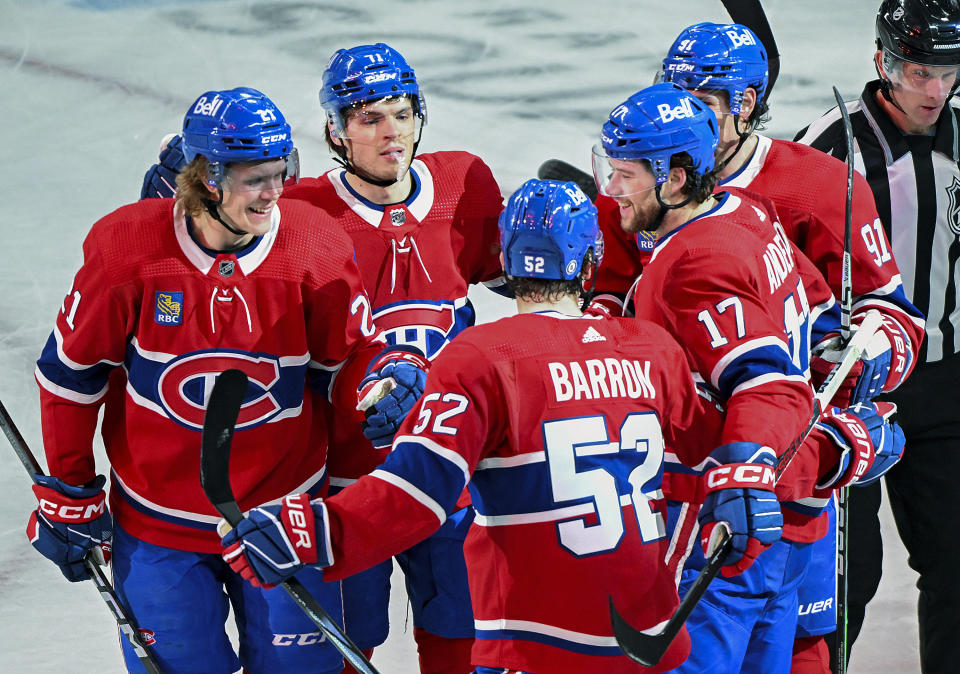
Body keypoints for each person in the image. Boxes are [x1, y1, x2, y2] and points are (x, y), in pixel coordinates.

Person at [216, 177, 733, 673]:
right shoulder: (652, 348)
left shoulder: (480, 357)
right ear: (591, 259)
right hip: (650, 639)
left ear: (507, 262)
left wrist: (308, 531)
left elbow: (417, 492)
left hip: (532, 649)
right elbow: (712, 462)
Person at [26, 87, 426, 674]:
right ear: (204, 177)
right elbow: (72, 374)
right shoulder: (128, 249)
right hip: (158, 522)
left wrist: (392, 372)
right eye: (254, 179)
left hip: (285, 515)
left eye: (280, 172)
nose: (274, 193)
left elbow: (351, 355)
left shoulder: (313, 247)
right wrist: (69, 484)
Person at [140, 45, 506, 674]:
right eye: (369, 119)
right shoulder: (299, 211)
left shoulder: (462, 184)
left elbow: (523, 287)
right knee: (344, 645)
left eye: (402, 112)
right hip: (343, 486)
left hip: (450, 470)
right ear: (336, 130)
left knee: (462, 633)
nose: (391, 132)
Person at [591, 82, 905, 674]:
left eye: (625, 174)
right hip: (783, 532)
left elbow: (762, 384)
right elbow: (818, 320)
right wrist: (840, 416)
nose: (611, 190)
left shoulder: (693, 265)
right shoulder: (747, 210)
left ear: (676, 177)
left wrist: (744, 471)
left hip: (722, 535)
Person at [655, 21, 927, 672]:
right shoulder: (652, 177)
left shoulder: (815, 186)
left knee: (802, 645)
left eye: (698, 102)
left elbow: (896, 315)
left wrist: (865, 355)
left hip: (793, 465)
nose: (676, 119)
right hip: (676, 468)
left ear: (745, 104)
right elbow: (607, 294)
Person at [795, 1, 960, 671]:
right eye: (920, 71)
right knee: (846, 577)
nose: (935, 91)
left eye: (948, 72)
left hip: (946, 384)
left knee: (956, 562)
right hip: (846, 394)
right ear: (882, 62)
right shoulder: (829, 146)